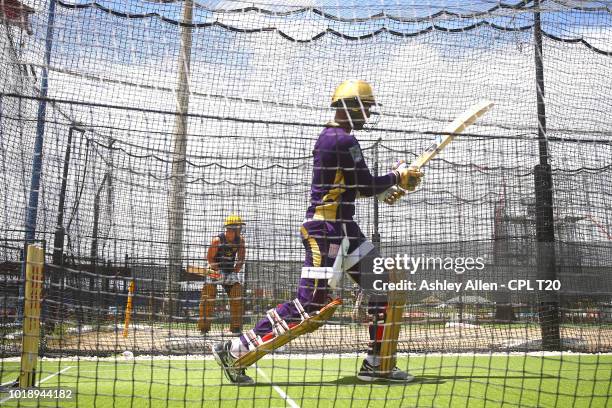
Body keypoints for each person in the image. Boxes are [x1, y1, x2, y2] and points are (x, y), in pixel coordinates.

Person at [212, 80, 423, 384]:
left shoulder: (336, 138)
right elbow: (362, 184)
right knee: (311, 303)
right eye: (365, 108)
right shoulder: (341, 140)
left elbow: (353, 186)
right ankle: (235, 349)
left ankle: (378, 363)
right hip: (326, 231)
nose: (367, 114)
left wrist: (388, 186)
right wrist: (397, 176)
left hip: (345, 228)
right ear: (351, 107)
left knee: (382, 287)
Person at [199, 214, 246, 335]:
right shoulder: (217, 241)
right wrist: (218, 272)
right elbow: (210, 258)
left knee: (237, 292)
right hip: (215, 270)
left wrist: (235, 270)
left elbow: (241, 258)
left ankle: (236, 328)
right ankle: (204, 329)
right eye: (239, 228)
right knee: (208, 294)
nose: (240, 230)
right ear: (232, 229)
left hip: (229, 271)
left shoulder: (240, 241)